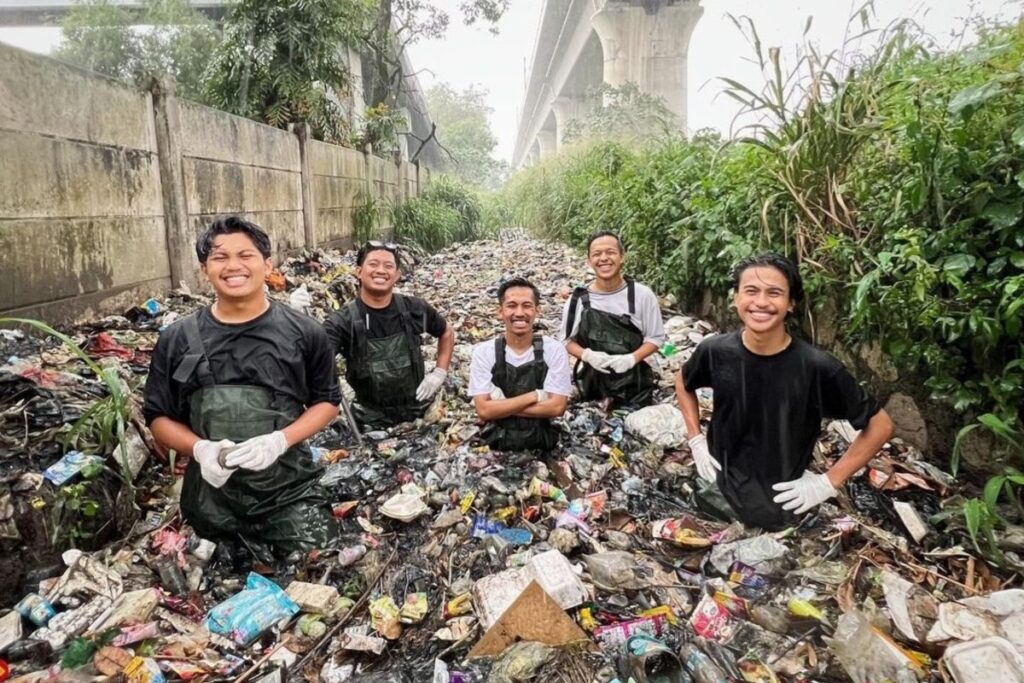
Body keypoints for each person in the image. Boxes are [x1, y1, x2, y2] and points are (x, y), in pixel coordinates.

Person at [144, 216, 342, 557]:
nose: (233, 266)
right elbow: (158, 417)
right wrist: (201, 450)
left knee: (319, 558)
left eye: (245, 255)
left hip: (288, 491)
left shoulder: (304, 332)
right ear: (204, 269)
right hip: (211, 497)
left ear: (267, 265)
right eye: (220, 258)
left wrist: (279, 440)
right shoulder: (176, 339)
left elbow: (327, 401)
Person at [675, 253, 894, 530]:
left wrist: (828, 481)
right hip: (715, 491)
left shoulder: (817, 367)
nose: (761, 302)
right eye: (751, 291)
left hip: (782, 505)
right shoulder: (716, 351)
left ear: (791, 303)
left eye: (774, 293)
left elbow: (881, 425)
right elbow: (683, 382)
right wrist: (696, 440)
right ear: (736, 298)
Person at [323, 241, 454, 428]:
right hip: (368, 420)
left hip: (418, 413)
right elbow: (316, 356)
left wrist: (439, 372)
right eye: (373, 264)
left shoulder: (415, 309)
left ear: (397, 275)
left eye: (389, 266)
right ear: (358, 272)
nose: (381, 271)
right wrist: (299, 318)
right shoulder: (342, 322)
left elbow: (446, 332)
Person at [561, 231, 666, 408]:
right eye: (596, 254)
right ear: (589, 261)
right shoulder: (577, 301)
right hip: (592, 385)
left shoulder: (642, 295)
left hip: (636, 386)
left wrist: (631, 359)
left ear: (622, 257)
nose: (604, 258)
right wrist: (588, 355)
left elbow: (655, 338)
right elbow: (566, 341)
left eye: (610, 252)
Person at [470, 278, 572, 451]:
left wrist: (501, 406)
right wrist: (535, 396)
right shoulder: (484, 353)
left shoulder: (554, 350)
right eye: (511, 305)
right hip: (496, 441)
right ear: (499, 312)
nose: (519, 313)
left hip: (543, 440)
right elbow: (484, 411)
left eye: (526, 305)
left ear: (537, 310)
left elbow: (557, 407)